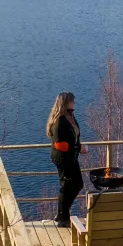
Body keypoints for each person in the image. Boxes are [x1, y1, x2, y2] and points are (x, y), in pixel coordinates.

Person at [47, 91, 83, 227]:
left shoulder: (70, 117)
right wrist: (76, 148)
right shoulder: (59, 120)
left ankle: (62, 213)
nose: (74, 103)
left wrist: (79, 146)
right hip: (63, 159)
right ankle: (62, 218)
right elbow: (59, 144)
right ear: (65, 103)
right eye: (72, 101)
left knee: (78, 184)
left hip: (72, 158)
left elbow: (74, 136)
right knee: (66, 186)